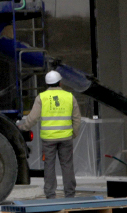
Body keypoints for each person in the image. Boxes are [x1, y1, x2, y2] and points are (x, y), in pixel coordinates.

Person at [17, 70, 81, 198]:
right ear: (60, 83)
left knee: (49, 166)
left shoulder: (41, 97)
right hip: (66, 138)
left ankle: (50, 194)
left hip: (48, 140)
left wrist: (23, 128)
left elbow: (33, 118)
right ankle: (70, 193)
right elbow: (77, 118)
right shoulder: (69, 97)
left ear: (47, 84)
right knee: (67, 165)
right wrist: (73, 133)